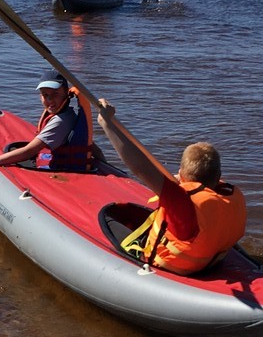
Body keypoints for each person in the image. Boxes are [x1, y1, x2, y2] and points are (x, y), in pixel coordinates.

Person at [96, 101, 247, 274]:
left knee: (109, 219)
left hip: (176, 265)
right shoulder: (228, 194)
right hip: (209, 260)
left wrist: (107, 124)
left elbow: (139, 167)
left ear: (181, 173)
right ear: (218, 176)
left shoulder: (181, 201)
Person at [0, 71, 98, 186]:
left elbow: (29, 152)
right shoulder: (68, 114)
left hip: (60, 172)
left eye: (55, 94)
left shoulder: (60, 121)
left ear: (66, 93)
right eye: (45, 95)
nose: (50, 100)